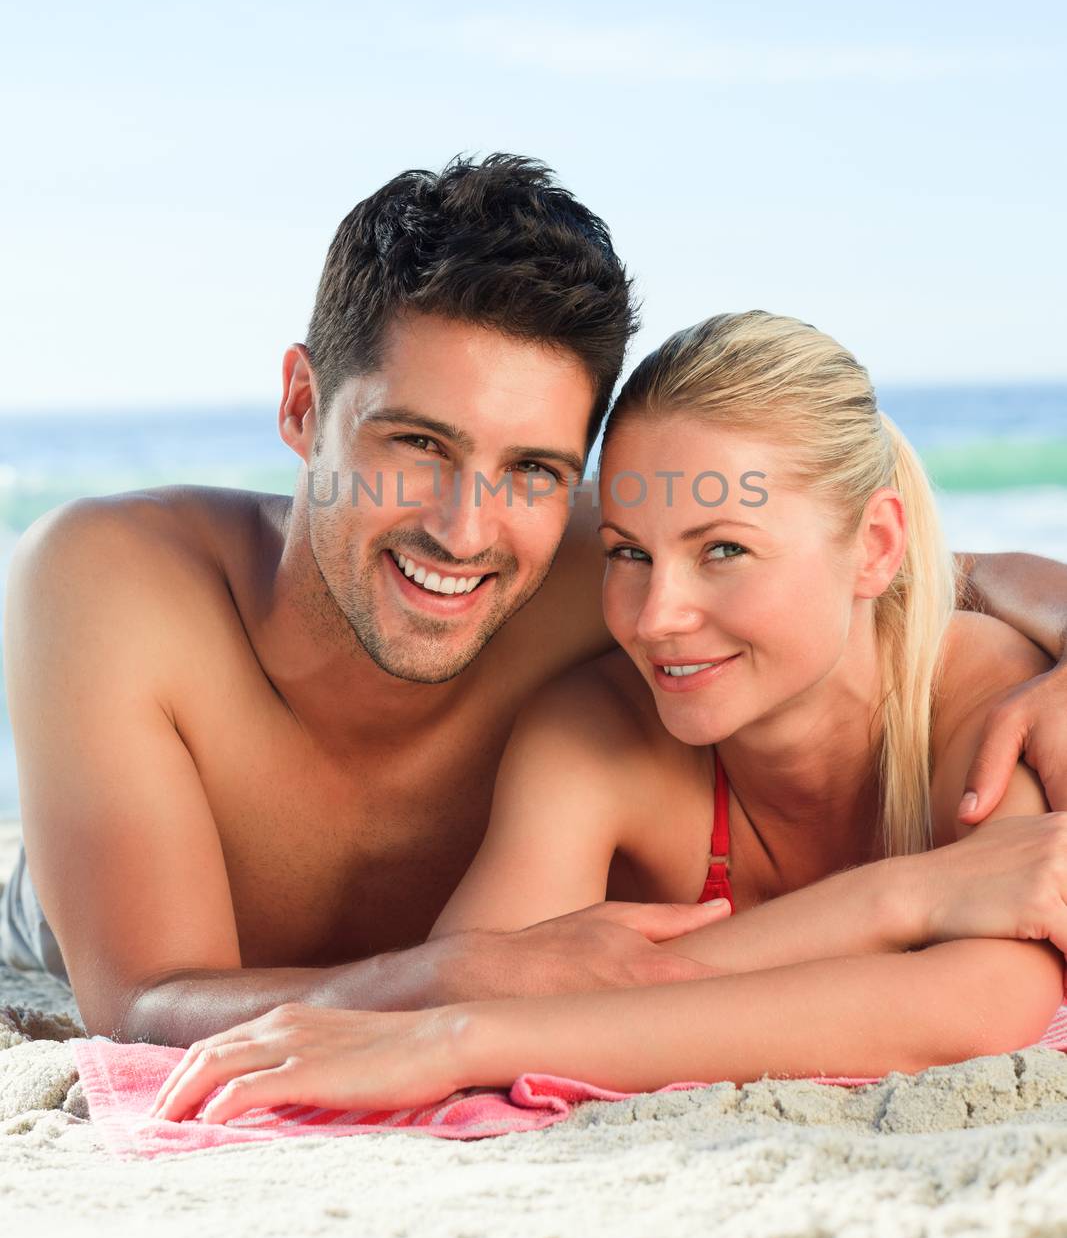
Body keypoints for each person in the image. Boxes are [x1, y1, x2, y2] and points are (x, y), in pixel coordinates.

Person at [3, 161, 1066, 1047]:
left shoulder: (609, 572)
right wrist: (466, 974)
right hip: (77, 917)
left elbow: (877, 561)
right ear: (301, 404)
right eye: (417, 443)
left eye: (533, 469)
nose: (466, 532)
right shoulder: (112, 581)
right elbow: (139, 1002)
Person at [148, 310, 1067, 1122]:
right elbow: (477, 974)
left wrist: (464, 1043)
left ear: (872, 547)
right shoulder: (593, 730)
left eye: (723, 551)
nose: (656, 616)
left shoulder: (979, 695)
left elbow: (982, 1000)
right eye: (628, 553)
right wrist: (903, 898)